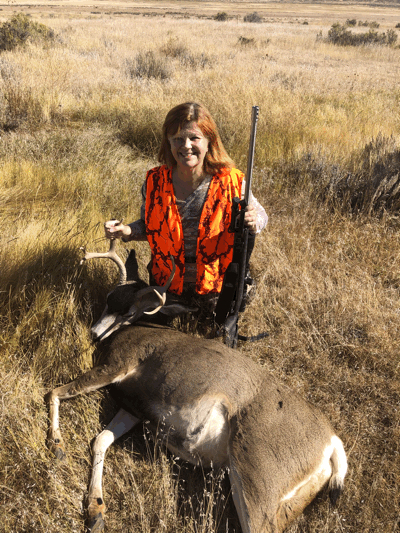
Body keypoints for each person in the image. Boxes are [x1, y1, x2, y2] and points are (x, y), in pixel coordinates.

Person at [104, 102, 268, 319]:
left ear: (210, 142)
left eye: (194, 138)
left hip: (217, 290)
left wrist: (253, 219)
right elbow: (150, 226)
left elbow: (261, 217)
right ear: (168, 142)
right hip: (167, 289)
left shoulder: (232, 181)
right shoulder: (155, 181)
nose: (186, 145)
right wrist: (126, 231)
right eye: (178, 139)